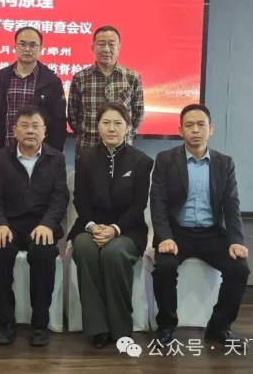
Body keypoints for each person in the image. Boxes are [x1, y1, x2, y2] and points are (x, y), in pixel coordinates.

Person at [151, 104, 250, 349]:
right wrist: (164, 236)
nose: (195, 130)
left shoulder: (224, 163)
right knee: (164, 267)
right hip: (177, 233)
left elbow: (232, 206)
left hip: (211, 234)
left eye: (201, 125)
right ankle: (166, 326)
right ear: (180, 130)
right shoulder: (165, 160)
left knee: (239, 268)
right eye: (189, 125)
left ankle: (219, 327)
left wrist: (236, 240)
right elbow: (158, 203)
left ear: (211, 129)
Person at [69, 102, 153, 348]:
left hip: (128, 229)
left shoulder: (141, 161)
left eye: (118, 123)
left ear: (128, 127)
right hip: (91, 226)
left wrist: (115, 229)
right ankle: (97, 328)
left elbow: (138, 205)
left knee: (114, 253)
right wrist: (93, 226)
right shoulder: (85, 158)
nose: (112, 128)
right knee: (84, 248)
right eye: (106, 123)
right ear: (98, 126)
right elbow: (80, 199)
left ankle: (120, 327)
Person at [0, 106, 69, 347]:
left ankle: (40, 324)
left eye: (35, 126)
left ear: (45, 131)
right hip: (9, 225)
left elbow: (59, 199)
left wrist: (47, 225)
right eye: (24, 126)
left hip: (41, 226)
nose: (30, 131)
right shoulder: (1, 158)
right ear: (14, 130)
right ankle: (6, 323)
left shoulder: (56, 159)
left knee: (43, 254)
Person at [0, 26, 67, 157]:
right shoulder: (1, 78)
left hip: (40, 156)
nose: (27, 49)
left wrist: (52, 155)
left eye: (33, 45)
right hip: (5, 154)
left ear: (40, 48)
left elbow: (59, 123)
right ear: (15, 47)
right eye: (22, 44)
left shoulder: (52, 82)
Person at [67, 25, 144, 155]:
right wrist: (86, 133)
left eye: (111, 44)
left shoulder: (132, 77)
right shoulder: (80, 78)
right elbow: (73, 115)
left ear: (119, 47)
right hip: (87, 148)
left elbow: (138, 114)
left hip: (122, 150)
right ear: (93, 47)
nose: (106, 49)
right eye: (101, 44)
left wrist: (126, 134)